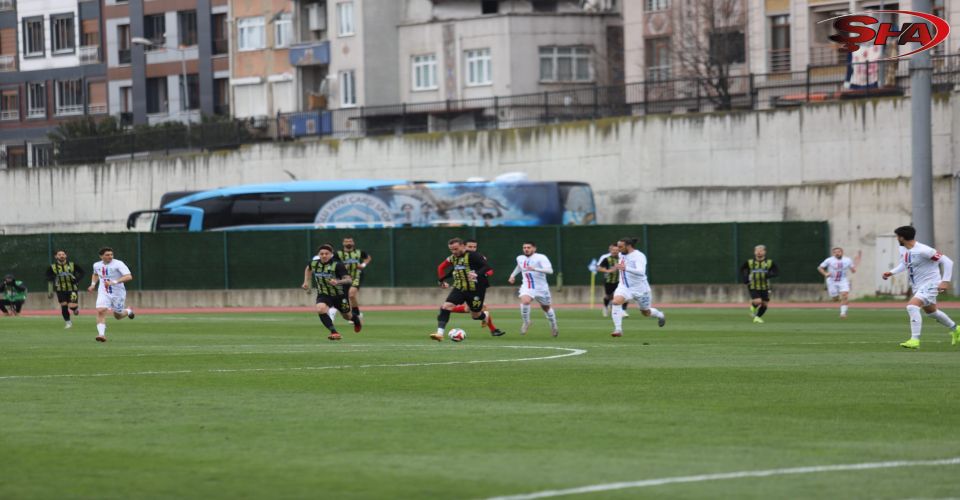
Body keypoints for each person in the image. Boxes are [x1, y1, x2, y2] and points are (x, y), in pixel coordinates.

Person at [881, 225, 956, 349]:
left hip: (931, 284)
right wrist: (892, 272)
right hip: (918, 286)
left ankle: (914, 340)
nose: (897, 239)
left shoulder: (924, 250)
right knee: (932, 312)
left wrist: (945, 281)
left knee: (912, 306)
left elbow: (947, 262)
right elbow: (904, 264)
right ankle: (956, 329)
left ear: (902, 237)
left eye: (897, 237)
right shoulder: (904, 250)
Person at [431, 237, 504, 341]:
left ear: (462, 246)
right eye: (451, 249)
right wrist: (441, 280)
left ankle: (484, 316)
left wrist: (477, 274)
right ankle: (439, 333)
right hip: (459, 287)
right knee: (446, 306)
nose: (453, 251)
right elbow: (450, 270)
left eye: (455, 249)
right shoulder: (453, 258)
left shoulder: (474, 255)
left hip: (476, 290)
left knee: (475, 315)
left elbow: (487, 267)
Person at [302, 244, 360, 341]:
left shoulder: (338, 265)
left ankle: (356, 320)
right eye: (322, 254)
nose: (324, 255)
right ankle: (334, 332)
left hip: (340, 295)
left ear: (331, 255)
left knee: (347, 316)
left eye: (326, 254)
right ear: (319, 255)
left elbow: (349, 280)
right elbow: (308, 268)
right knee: (320, 309)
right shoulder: (313, 263)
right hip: (323, 294)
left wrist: (338, 281)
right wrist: (306, 282)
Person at [609, 237, 666, 337]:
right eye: (617, 246)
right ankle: (618, 330)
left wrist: (625, 268)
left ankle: (660, 315)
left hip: (641, 289)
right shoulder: (621, 254)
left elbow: (641, 272)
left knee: (646, 312)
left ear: (628, 246)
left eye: (620, 247)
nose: (618, 249)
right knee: (615, 302)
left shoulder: (639, 256)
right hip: (624, 287)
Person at [508, 241, 559, 337]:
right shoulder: (520, 258)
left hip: (541, 288)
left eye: (528, 247)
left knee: (546, 308)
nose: (526, 249)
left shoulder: (541, 257)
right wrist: (512, 275)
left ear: (534, 249)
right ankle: (526, 322)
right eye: (524, 247)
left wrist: (535, 269)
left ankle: (553, 325)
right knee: (525, 301)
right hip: (527, 286)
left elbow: (550, 271)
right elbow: (519, 266)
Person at [88, 247, 135, 342]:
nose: (110, 256)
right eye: (107, 255)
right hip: (103, 291)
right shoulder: (96, 265)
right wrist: (93, 285)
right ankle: (101, 334)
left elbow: (129, 276)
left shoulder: (118, 263)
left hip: (118, 293)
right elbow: (96, 274)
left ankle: (128, 311)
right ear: (101, 256)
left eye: (111, 254)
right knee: (101, 310)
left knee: (118, 316)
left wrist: (114, 282)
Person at [331, 237, 371, 326]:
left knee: (351, 294)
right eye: (346, 241)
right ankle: (349, 314)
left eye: (350, 241)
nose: (348, 243)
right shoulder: (338, 254)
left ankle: (356, 314)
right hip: (343, 278)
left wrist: (363, 265)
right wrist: (343, 266)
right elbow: (333, 263)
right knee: (342, 297)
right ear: (343, 243)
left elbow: (368, 257)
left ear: (353, 242)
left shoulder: (359, 252)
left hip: (356, 276)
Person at [46, 249, 85, 328]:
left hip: (72, 289)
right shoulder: (53, 267)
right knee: (64, 305)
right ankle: (68, 322)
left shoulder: (72, 265)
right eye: (59, 254)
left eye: (63, 254)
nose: (61, 256)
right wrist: (53, 279)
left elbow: (82, 272)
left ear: (66, 255)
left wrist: (77, 279)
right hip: (60, 289)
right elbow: (47, 276)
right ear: (56, 256)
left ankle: (75, 309)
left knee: (71, 306)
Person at [741, 244, 779, 324]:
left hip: (765, 286)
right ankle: (754, 305)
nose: (759, 252)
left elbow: (776, 271)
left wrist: (769, 274)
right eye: (757, 251)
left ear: (764, 252)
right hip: (753, 285)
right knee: (758, 301)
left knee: (764, 304)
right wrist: (745, 278)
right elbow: (743, 269)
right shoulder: (750, 262)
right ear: (754, 252)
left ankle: (757, 317)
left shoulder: (769, 262)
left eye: (761, 250)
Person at [817, 247, 859, 319]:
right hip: (831, 281)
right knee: (835, 299)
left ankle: (843, 313)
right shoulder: (829, 260)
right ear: (833, 253)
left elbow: (853, 270)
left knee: (845, 295)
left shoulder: (847, 260)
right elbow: (819, 268)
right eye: (835, 252)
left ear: (842, 252)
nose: (837, 253)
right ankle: (839, 300)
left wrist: (854, 268)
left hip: (843, 280)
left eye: (838, 252)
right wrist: (825, 274)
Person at [596, 243, 629, 318]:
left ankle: (623, 311)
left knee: (624, 295)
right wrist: (608, 271)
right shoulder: (607, 259)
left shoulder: (622, 258)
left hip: (620, 281)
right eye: (613, 250)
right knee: (609, 296)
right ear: (610, 250)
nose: (615, 251)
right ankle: (605, 307)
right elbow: (599, 268)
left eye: (617, 250)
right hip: (609, 281)